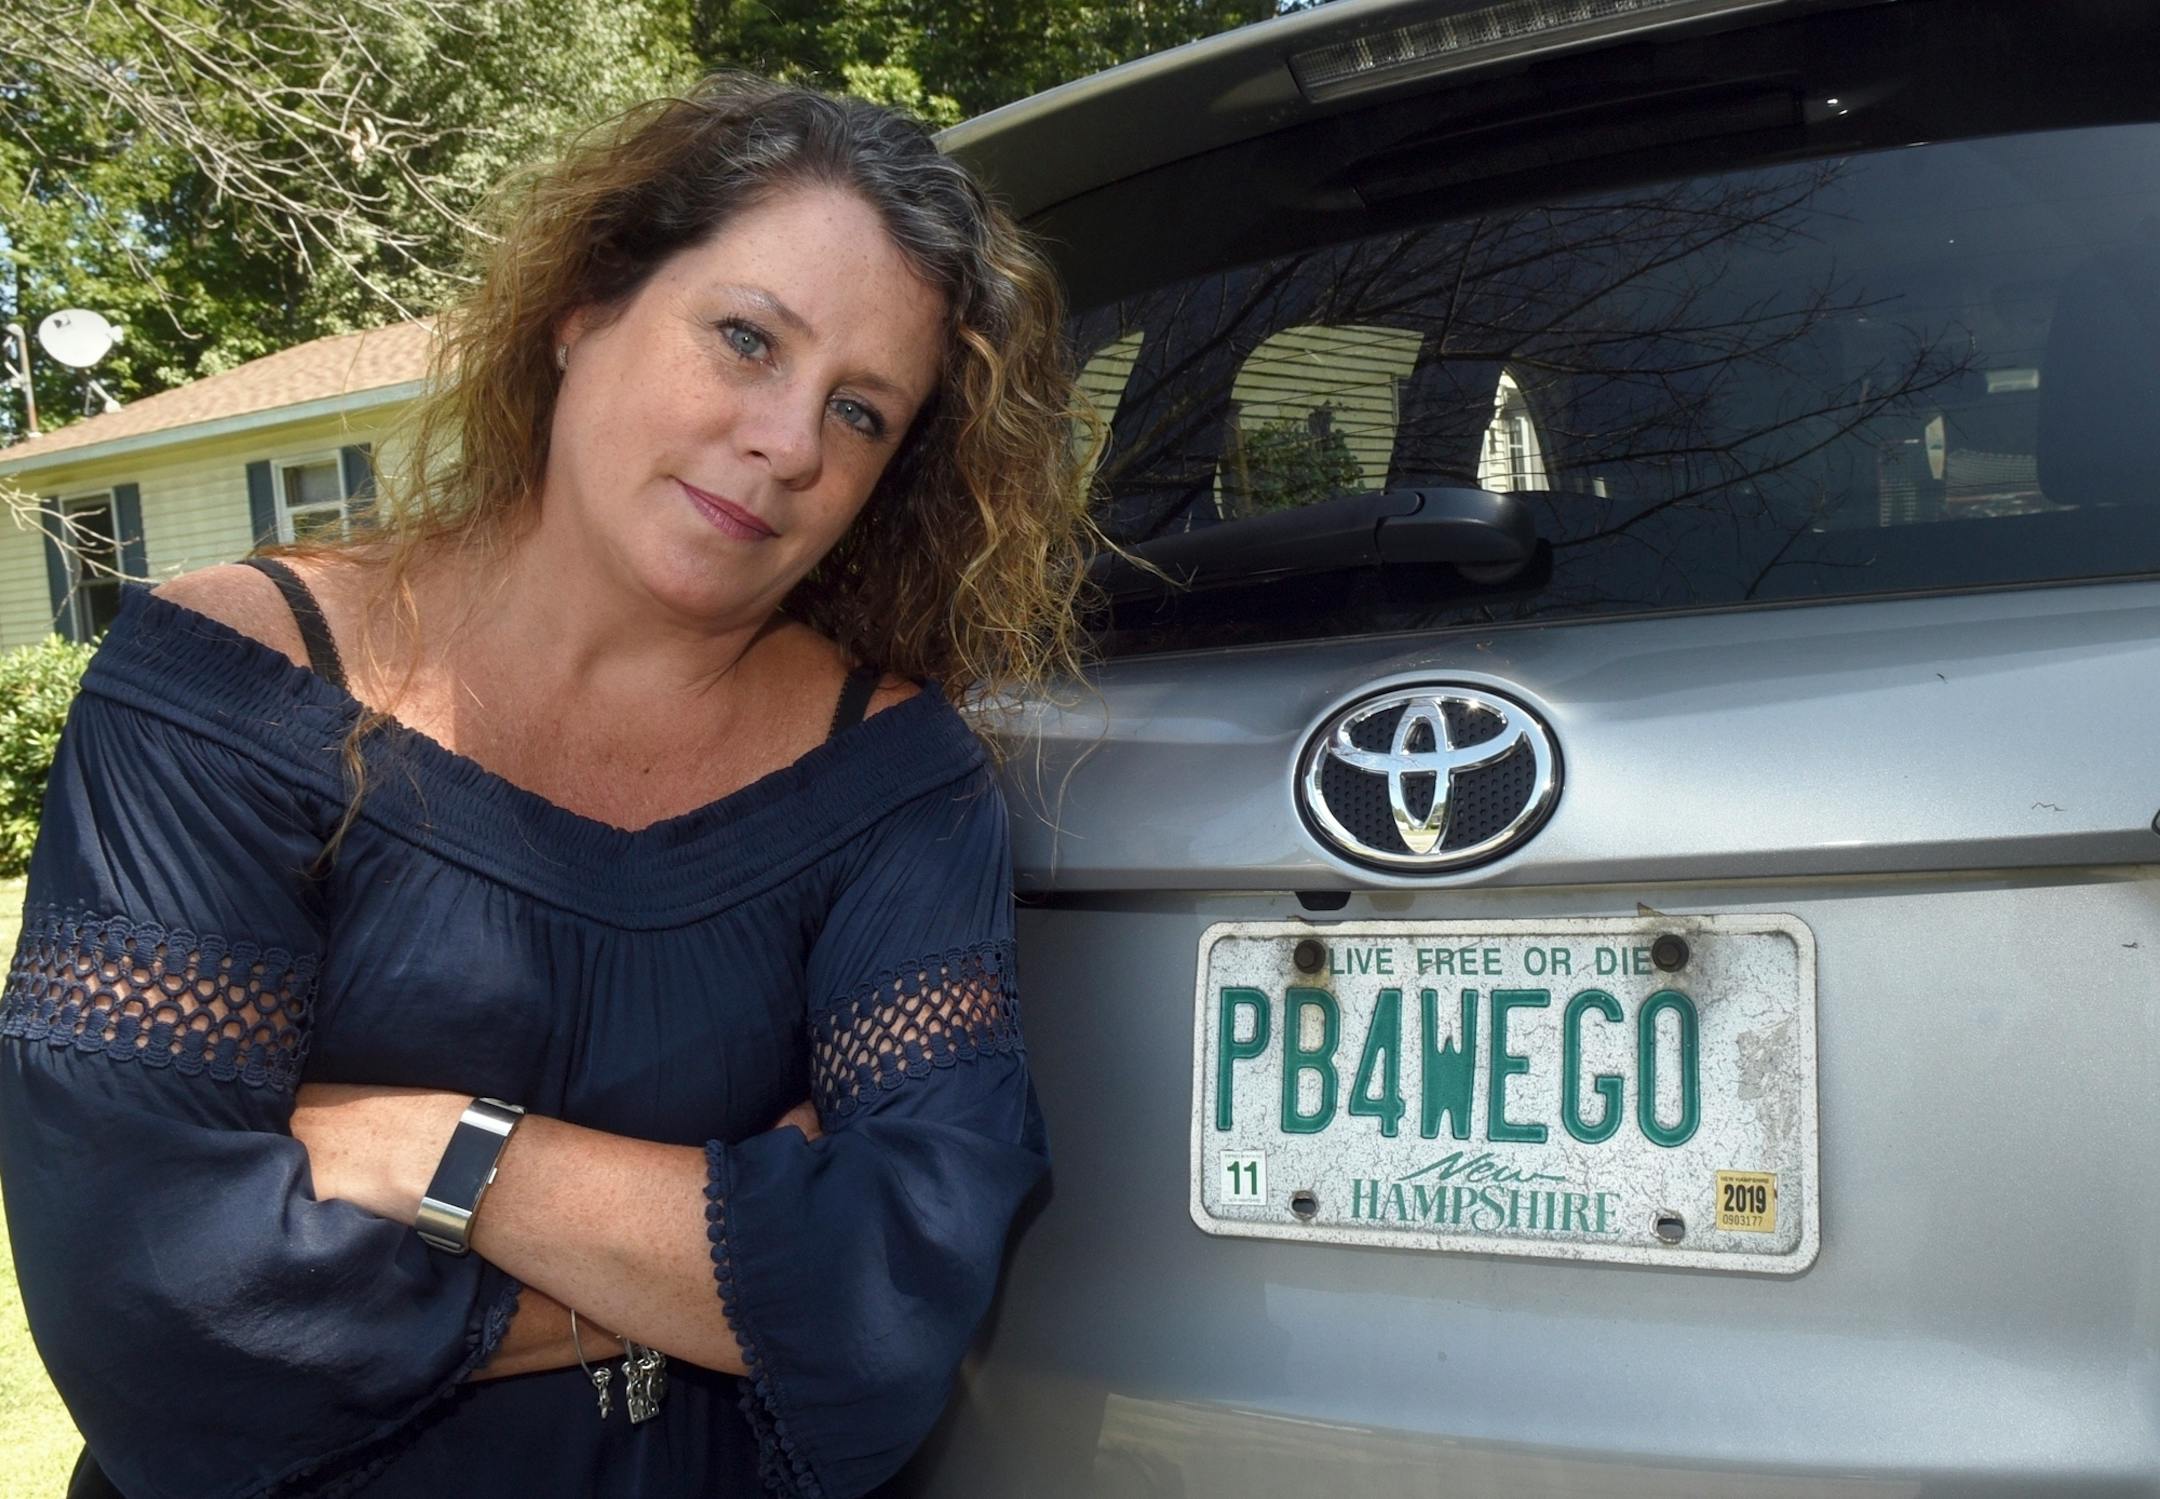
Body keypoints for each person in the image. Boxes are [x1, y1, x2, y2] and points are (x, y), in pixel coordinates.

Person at [0, 74, 1095, 1498]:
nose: (790, 446)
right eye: (746, 339)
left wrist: (441, 1154)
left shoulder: (890, 780)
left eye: (865, 414)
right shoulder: (227, 687)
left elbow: (897, 1294)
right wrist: (701, 1258)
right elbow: (155, 1306)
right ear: (584, 308)